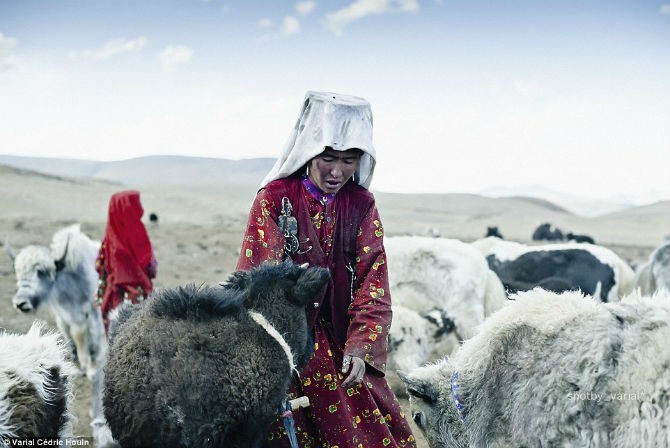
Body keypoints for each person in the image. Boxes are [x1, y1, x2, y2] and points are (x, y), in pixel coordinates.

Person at [237, 91, 416, 447]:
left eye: (349, 160)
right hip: (286, 343)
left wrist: (362, 347)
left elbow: (372, 283)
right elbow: (258, 284)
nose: (337, 172)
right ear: (308, 151)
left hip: (343, 344)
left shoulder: (361, 204)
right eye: (328, 158)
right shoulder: (273, 199)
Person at [96, 190, 157, 335]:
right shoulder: (138, 233)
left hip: (113, 297)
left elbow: (99, 265)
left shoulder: (109, 237)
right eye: (136, 203)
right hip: (137, 297)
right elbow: (151, 267)